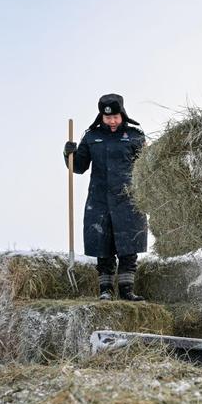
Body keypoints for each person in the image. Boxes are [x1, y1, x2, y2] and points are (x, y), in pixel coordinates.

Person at [63, 93, 147, 301]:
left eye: (115, 117)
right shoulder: (91, 137)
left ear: (122, 115)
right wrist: (69, 154)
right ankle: (105, 290)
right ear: (101, 116)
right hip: (99, 200)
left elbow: (148, 168)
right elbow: (79, 167)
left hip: (128, 199)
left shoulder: (135, 136)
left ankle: (127, 291)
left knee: (128, 246)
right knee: (103, 245)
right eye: (107, 117)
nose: (111, 121)